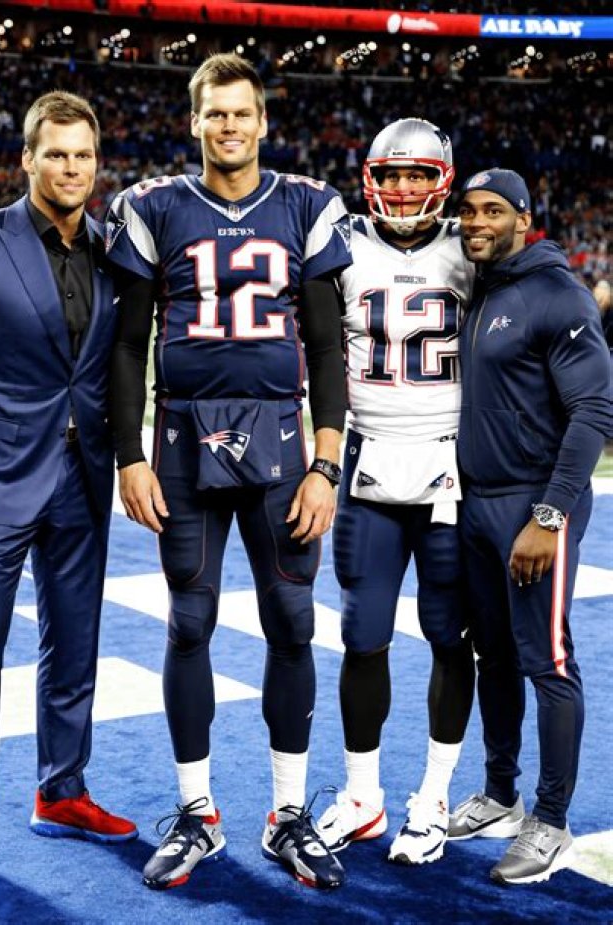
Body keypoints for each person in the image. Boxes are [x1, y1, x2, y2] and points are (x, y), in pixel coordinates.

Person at [106, 53, 350, 891]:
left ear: (263, 121)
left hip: (285, 444)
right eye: (216, 114)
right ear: (196, 120)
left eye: (242, 113)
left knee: (291, 619)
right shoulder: (156, 207)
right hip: (180, 442)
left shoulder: (306, 205)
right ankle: (198, 811)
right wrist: (128, 453)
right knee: (188, 621)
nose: (230, 127)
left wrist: (327, 460)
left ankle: (286, 813)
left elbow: (325, 345)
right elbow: (130, 344)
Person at [0, 91, 137, 909]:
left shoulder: (114, 248)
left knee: (74, 648)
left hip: (84, 480)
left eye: (84, 156)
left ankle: (61, 789)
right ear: (27, 160)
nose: (72, 168)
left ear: (96, 163)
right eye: (57, 154)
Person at [314, 118, 476, 865]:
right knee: (362, 635)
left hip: (449, 468)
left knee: (450, 634)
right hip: (369, 464)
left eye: (417, 174)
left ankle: (435, 795)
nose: (404, 188)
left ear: (441, 177)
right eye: (392, 173)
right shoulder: (340, 243)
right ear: (370, 176)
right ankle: (363, 794)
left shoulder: (472, 247)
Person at [448, 168, 611, 885]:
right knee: (494, 654)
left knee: (548, 660)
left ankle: (551, 820)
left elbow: (594, 413)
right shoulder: (484, 288)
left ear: (523, 215)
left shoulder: (556, 291)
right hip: (478, 502)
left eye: (491, 210)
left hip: (535, 505)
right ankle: (502, 793)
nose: (475, 221)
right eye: (467, 210)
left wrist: (549, 516)